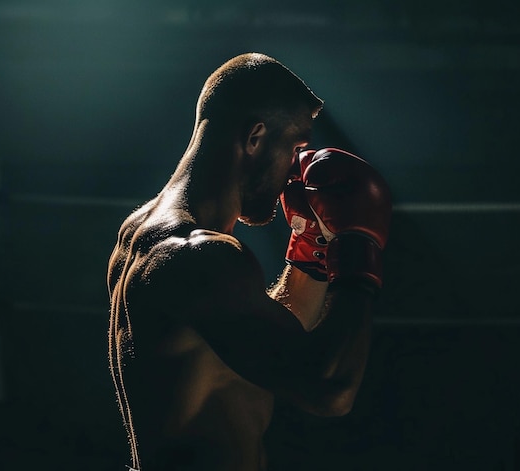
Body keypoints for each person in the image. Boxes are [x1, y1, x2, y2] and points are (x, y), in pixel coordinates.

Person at [107, 52, 392, 471]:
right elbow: (331, 390)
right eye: (295, 146)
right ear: (255, 137)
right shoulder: (197, 254)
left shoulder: (144, 233)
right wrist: (357, 247)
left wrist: (311, 248)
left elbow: (265, 342)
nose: (295, 169)